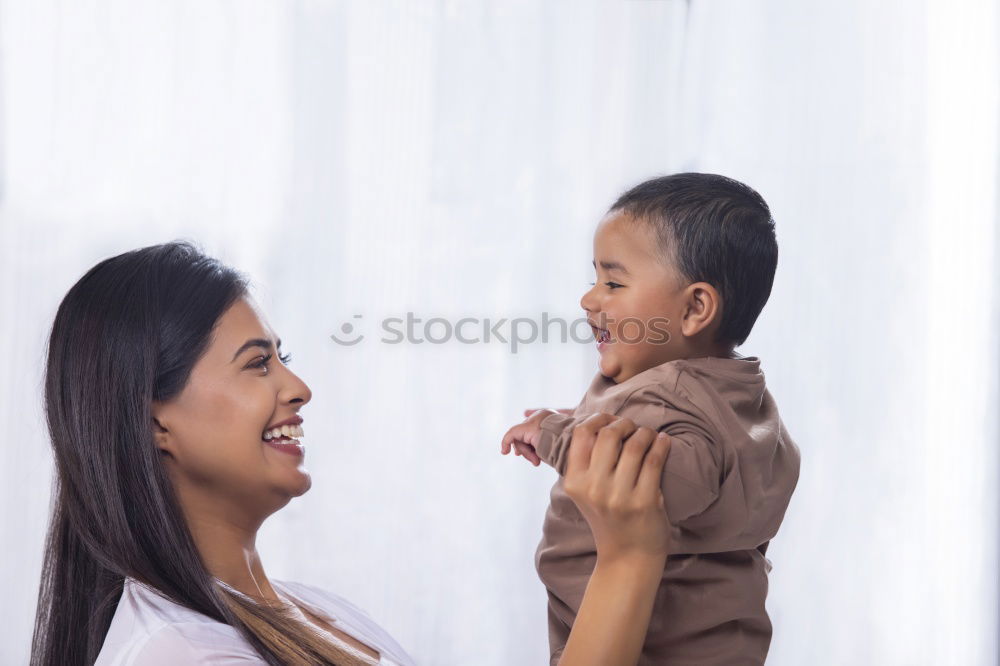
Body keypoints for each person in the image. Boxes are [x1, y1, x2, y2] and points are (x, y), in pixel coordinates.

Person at [30, 241, 676, 666]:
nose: (298, 387)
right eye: (258, 365)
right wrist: (627, 557)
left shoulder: (306, 614)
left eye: (285, 358)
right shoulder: (185, 656)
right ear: (155, 421)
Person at [502, 173, 802, 664]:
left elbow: (654, 479)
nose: (589, 299)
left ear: (695, 309)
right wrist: (582, 419)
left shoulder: (675, 401)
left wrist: (561, 438)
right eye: (594, 279)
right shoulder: (736, 398)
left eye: (614, 282)